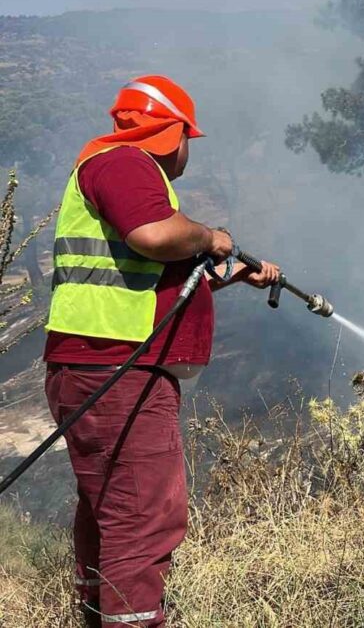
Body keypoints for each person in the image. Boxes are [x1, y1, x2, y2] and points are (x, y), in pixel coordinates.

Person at [42, 75, 280, 628]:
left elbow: (148, 278)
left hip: (101, 366)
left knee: (112, 509)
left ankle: (95, 612)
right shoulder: (125, 165)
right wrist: (210, 236)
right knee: (144, 514)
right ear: (173, 134)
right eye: (189, 138)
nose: (188, 150)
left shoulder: (111, 168)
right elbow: (152, 236)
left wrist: (230, 272)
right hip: (118, 372)